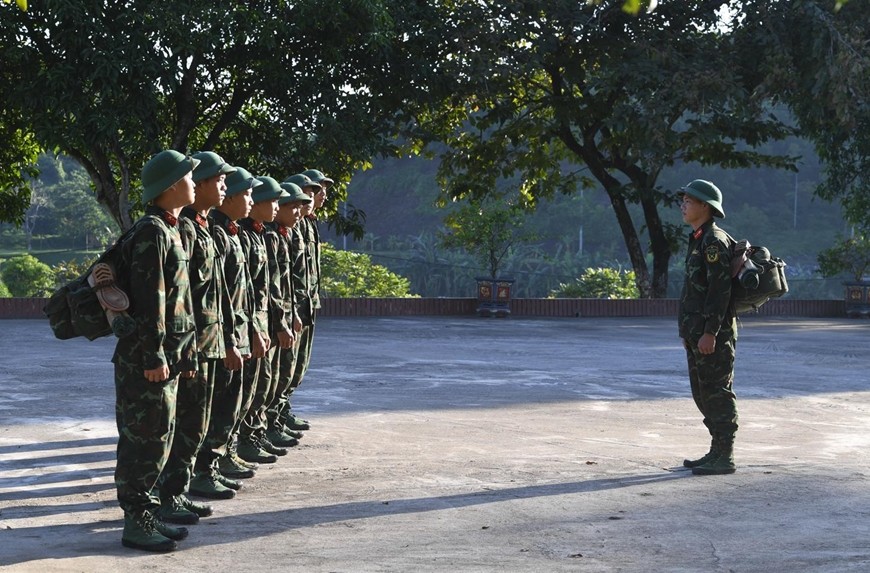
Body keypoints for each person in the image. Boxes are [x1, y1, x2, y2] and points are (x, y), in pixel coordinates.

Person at [113, 149, 199, 552]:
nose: (194, 182)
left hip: (165, 358)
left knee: (159, 438)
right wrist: (154, 356)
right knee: (142, 441)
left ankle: (148, 513)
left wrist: (186, 353)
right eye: (188, 176)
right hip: (146, 360)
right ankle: (136, 520)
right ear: (170, 186)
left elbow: (181, 304)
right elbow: (151, 302)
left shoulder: (170, 228)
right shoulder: (150, 231)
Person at [157, 152, 235, 515]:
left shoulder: (204, 227)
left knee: (199, 422)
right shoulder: (182, 229)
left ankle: (180, 489)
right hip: (192, 346)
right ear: (199, 184)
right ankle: (168, 494)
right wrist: (182, 350)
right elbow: (178, 298)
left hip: (209, 342)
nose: (224, 185)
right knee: (186, 424)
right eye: (218, 179)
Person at [194, 167, 261, 491]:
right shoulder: (216, 234)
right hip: (217, 338)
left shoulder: (227, 232)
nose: (252, 200)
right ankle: (205, 468)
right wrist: (230, 341)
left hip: (234, 333)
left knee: (231, 401)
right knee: (216, 406)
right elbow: (216, 298)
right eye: (247, 193)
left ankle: (220, 456)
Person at [677, 179, 739, 476]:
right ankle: (715, 450)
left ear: (705, 206)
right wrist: (688, 331)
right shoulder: (698, 238)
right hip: (696, 332)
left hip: (713, 333)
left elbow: (719, 291)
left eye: (689, 201)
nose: (683, 205)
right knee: (703, 393)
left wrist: (710, 332)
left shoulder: (713, 241)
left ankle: (725, 456)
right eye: (684, 200)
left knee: (717, 392)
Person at [236, 175, 288, 464]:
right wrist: (256, 329)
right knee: (240, 394)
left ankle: (252, 435)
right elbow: (243, 293)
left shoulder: (256, 234)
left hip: (261, 324)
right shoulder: (239, 234)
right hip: (244, 330)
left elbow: (272, 287)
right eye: (274, 201)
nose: (277, 207)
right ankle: (235, 445)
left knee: (263, 384)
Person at [264, 182, 313, 446]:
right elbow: (270, 287)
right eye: (291, 205)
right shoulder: (270, 236)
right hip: (267, 321)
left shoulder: (285, 232)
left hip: (293, 312)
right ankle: (261, 429)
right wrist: (282, 320)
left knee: (286, 373)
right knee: (266, 382)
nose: (298, 210)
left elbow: (291, 283)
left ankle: (274, 420)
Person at [281, 172, 328, 432]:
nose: (317, 196)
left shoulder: (308, 223)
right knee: (284, 367)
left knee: (297, 366)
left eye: (315, 192)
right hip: (293, 305)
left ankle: (282, 411)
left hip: (306, 303)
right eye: (311, 192)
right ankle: (275, 416)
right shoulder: (290, 225)